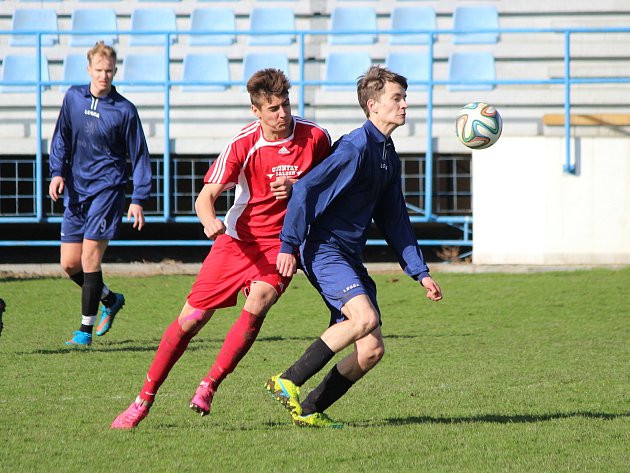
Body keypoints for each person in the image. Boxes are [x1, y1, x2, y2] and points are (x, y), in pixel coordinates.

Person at [111, 68, 332, 429]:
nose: (283, 114)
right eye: (273, 108)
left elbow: (331, 183)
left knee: (259, 300)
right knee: (191, 320)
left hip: (281, 244)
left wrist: (299, 186)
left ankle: (209, 385)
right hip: (236, 242)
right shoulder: (244, 143)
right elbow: (205, 197)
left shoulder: (316, 137)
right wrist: (209, 220)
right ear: (255, 111)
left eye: (286, 105)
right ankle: (142, 401)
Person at [265, 66, 443, 428]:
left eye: (404, 98)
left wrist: (419, 272)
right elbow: (305, 189)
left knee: (371, 350)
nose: (405, 105)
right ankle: (287, 380)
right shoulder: (355, 146)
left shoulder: (387, 157)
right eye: (397, 98)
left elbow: (396, 221)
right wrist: (288, 244)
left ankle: (311, 410)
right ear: (373, 105)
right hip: (325, 249)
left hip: (349, 256)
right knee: (364, 318)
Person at [49, 41, 152, 347]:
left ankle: (84, 332)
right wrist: (57, 172)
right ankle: (110, 298)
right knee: (69, 264)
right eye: (99, 70)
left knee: (90, 257)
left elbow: (140, 156)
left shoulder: (124, 110)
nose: (104, 76)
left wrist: (137, 199)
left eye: (109, 71)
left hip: (108, 190)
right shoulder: (72, 98)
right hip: (77, 190)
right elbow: (61, 138)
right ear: (88, 69)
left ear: (115, 71)